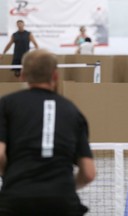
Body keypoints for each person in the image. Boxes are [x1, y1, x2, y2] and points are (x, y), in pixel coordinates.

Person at [0, 49, 96, 216]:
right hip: (63, 201)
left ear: (22, 75)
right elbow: (88, 173)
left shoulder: (6, 105)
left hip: (16, 200)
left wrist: (13, 178)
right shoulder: (72, 112)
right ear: (55, 76)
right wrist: (63, 187)